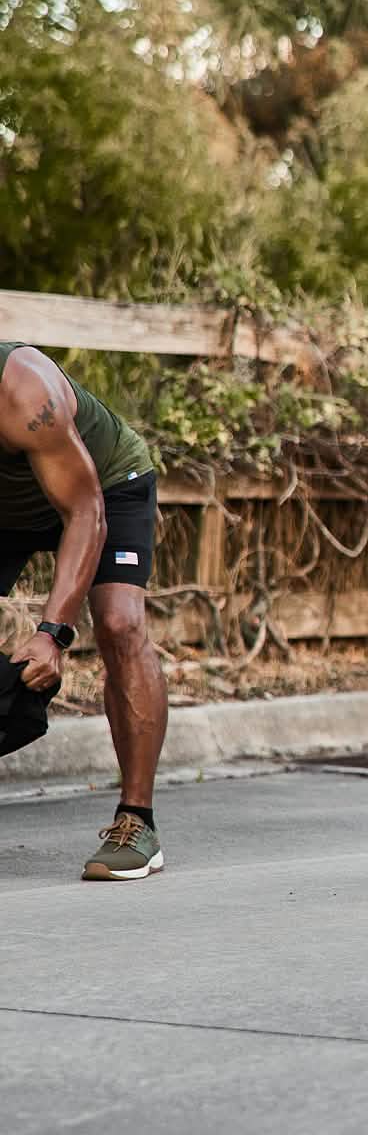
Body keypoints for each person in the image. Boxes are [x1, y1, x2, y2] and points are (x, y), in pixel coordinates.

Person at [0, 341, 166, 881]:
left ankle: (136, 821)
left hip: (103, 487)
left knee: (120, 623)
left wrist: (52, 632)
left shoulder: (24, 388)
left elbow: (84, 511)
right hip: (8, 508)